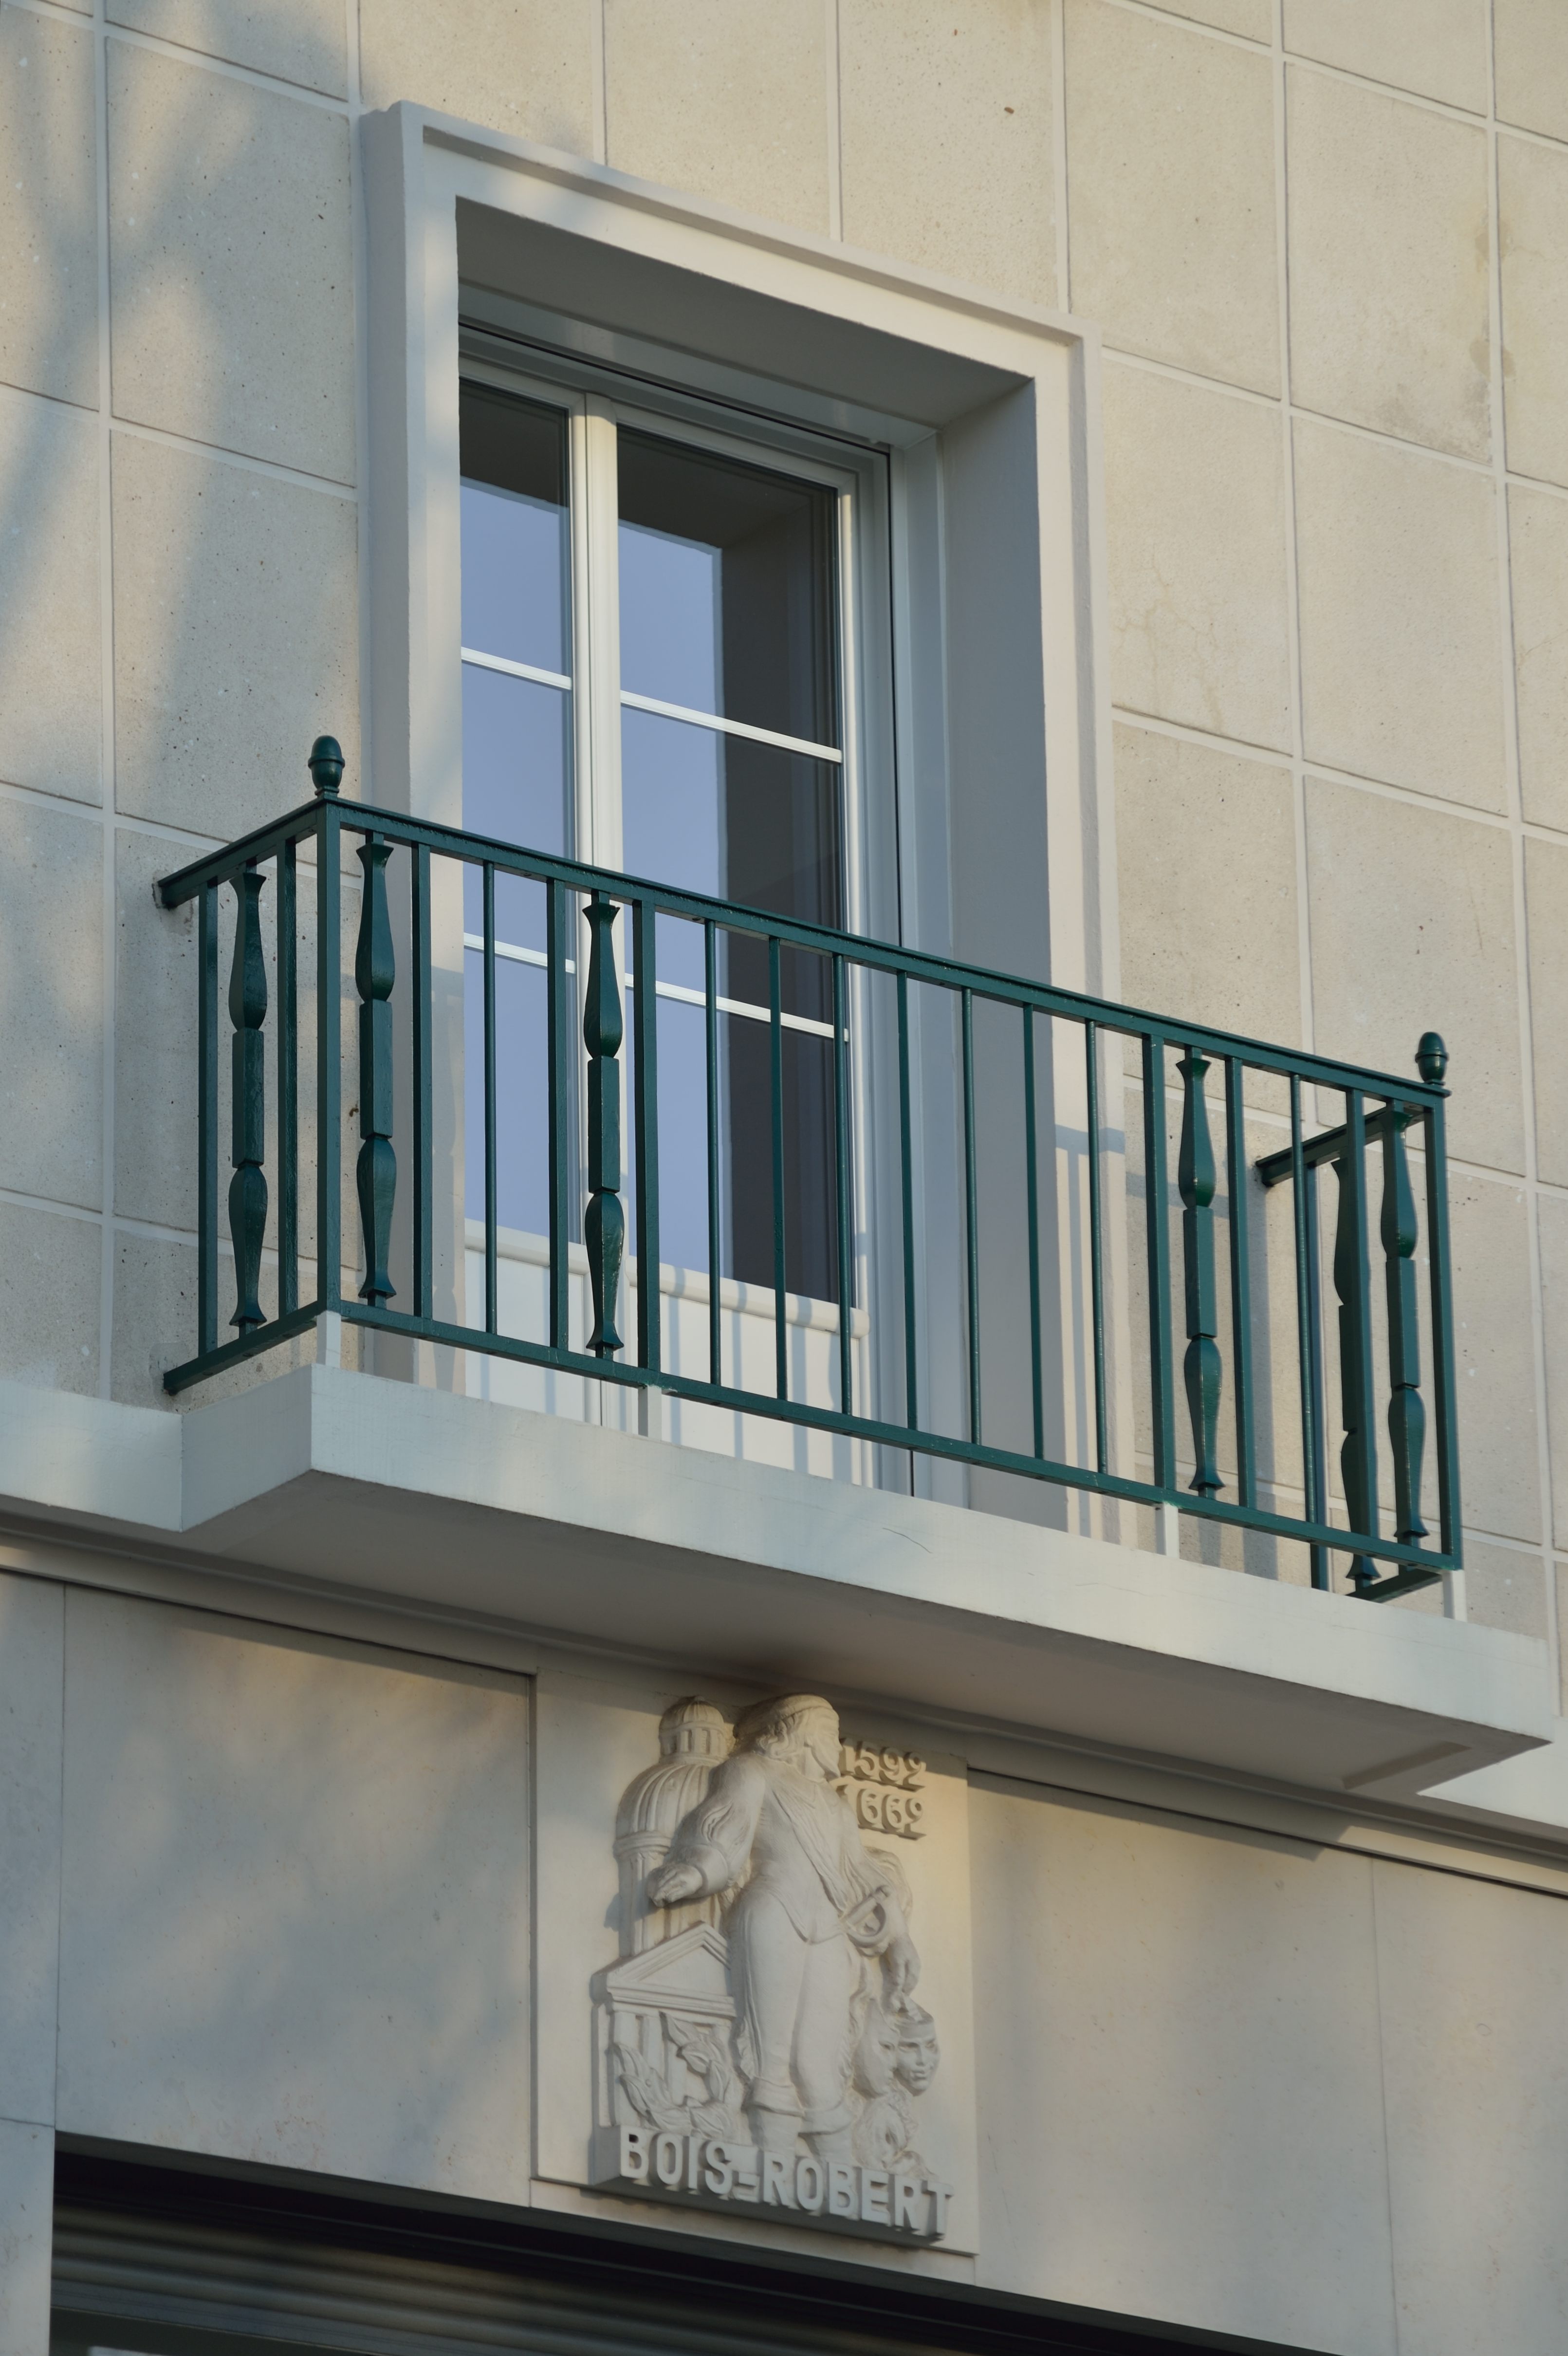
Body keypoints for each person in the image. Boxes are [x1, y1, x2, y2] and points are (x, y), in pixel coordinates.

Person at [647, 1693, 919, 2157]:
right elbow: (726, 1834)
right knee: (770, 2058)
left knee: (820, 2064)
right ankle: (769, 2167)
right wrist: (696, 1873)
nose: (836, 1745)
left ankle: (836, 2182)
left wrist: (899, 1939)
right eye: (830, 1734)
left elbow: (860, 1874)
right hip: (773, 1912)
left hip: (830, 1929)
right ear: (805, 1734)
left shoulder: (834, 1806)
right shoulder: (750, 1771)